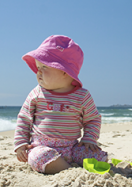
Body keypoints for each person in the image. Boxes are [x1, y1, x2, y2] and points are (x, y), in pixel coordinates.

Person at [14, 35, 108, 174]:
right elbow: (24, 118)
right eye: (38, 67)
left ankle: (65, 166)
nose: (38, 72)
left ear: (65, 71)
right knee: (38, 157)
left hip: (72, 148)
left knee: (99, 156)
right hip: (41, 146)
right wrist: (21, 144)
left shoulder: (82, 96)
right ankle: (68, 171)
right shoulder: (37, 93)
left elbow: (92, 119)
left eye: (44, 67)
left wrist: (89, 139)